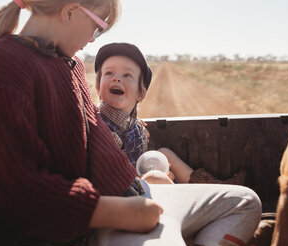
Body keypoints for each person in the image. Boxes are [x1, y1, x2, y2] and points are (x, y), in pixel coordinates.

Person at [0, 0, 261, 246]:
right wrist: (127, 213)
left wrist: (136, 189)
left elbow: (93, 137)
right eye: (98, 28)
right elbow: (18, 191)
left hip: (133, 195)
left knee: (245, 201)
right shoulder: (1, 68)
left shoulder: (70, 64)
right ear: (69, 12)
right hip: (93, 224)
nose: (94, 40)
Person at [95, 42, 247, 185]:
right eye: (108, 73)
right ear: (98, 88)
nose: (116, 78)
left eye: (127, 75)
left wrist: (135, 125)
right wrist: (150, 178)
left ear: (140, 94)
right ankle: (191, 200)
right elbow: (110, 176)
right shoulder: (102, 129)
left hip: (137, 176)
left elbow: (127, 128)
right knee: (156, 177)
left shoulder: (132, 125)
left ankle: (210, 186)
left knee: (164, 153)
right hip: (122, 190)